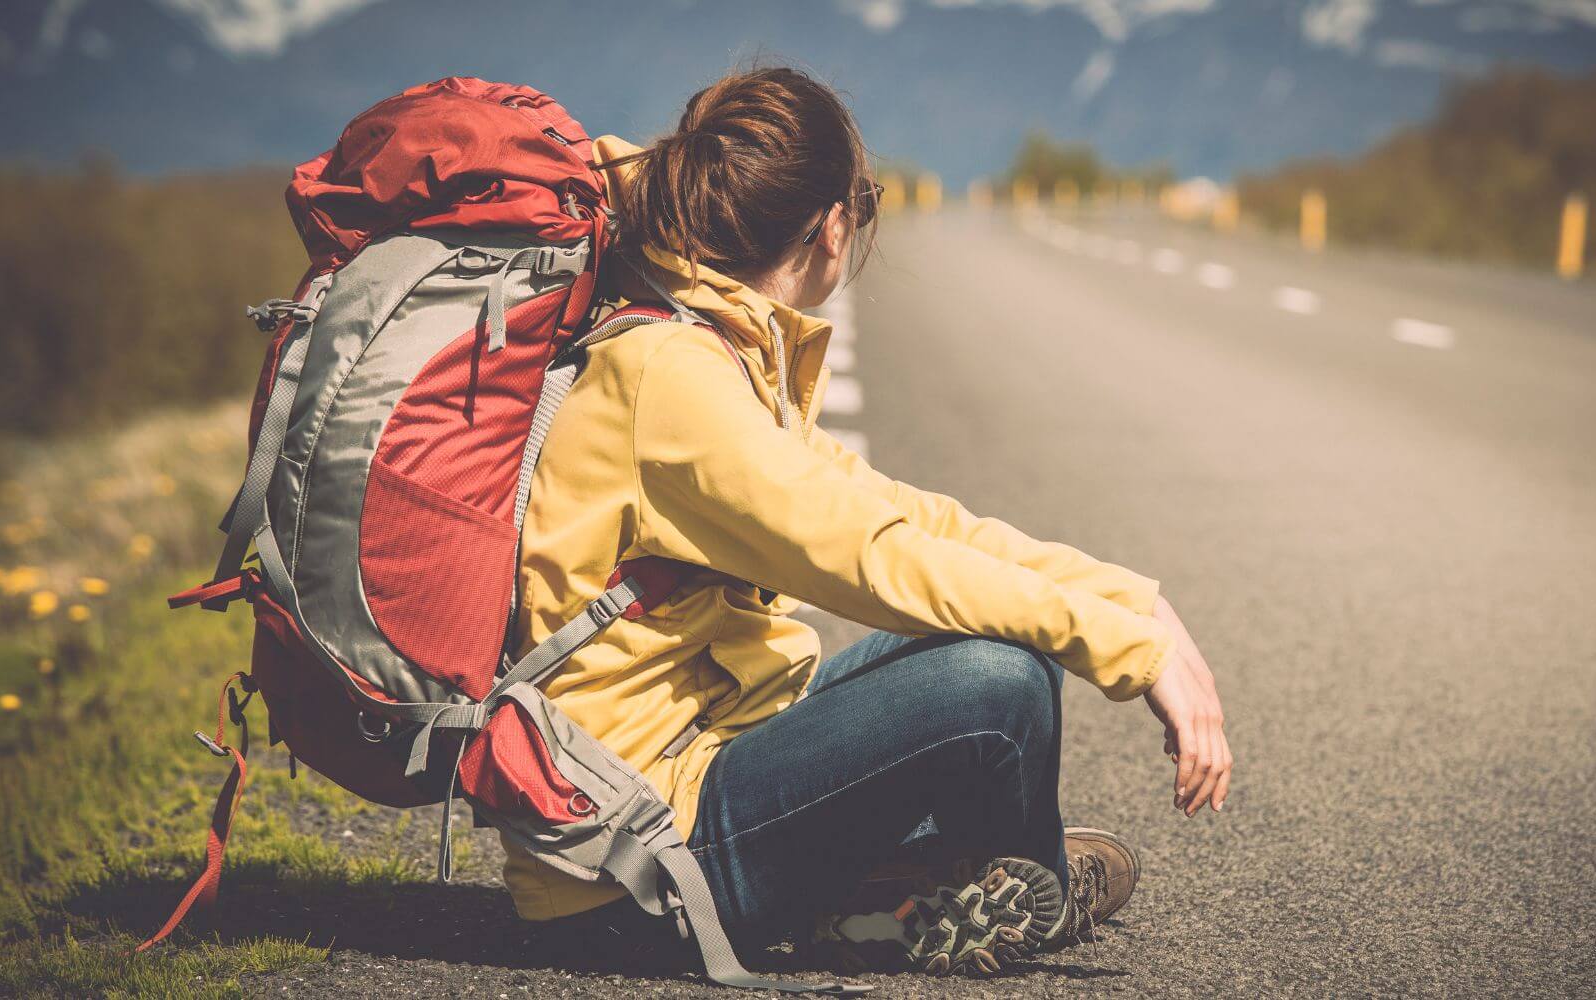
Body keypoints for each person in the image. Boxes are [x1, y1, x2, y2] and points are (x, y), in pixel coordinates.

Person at [507, 65, 1232, 978]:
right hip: (637, 860)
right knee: (996, 685)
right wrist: (1130, 656)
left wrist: (1133, 605)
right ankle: (1017, 888)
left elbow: (900, 512)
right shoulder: (673, 379)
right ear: (834, 223)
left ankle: (920, 890)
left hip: (703, 762)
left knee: (1010, 647)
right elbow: (871, 556)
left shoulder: (704, 341)